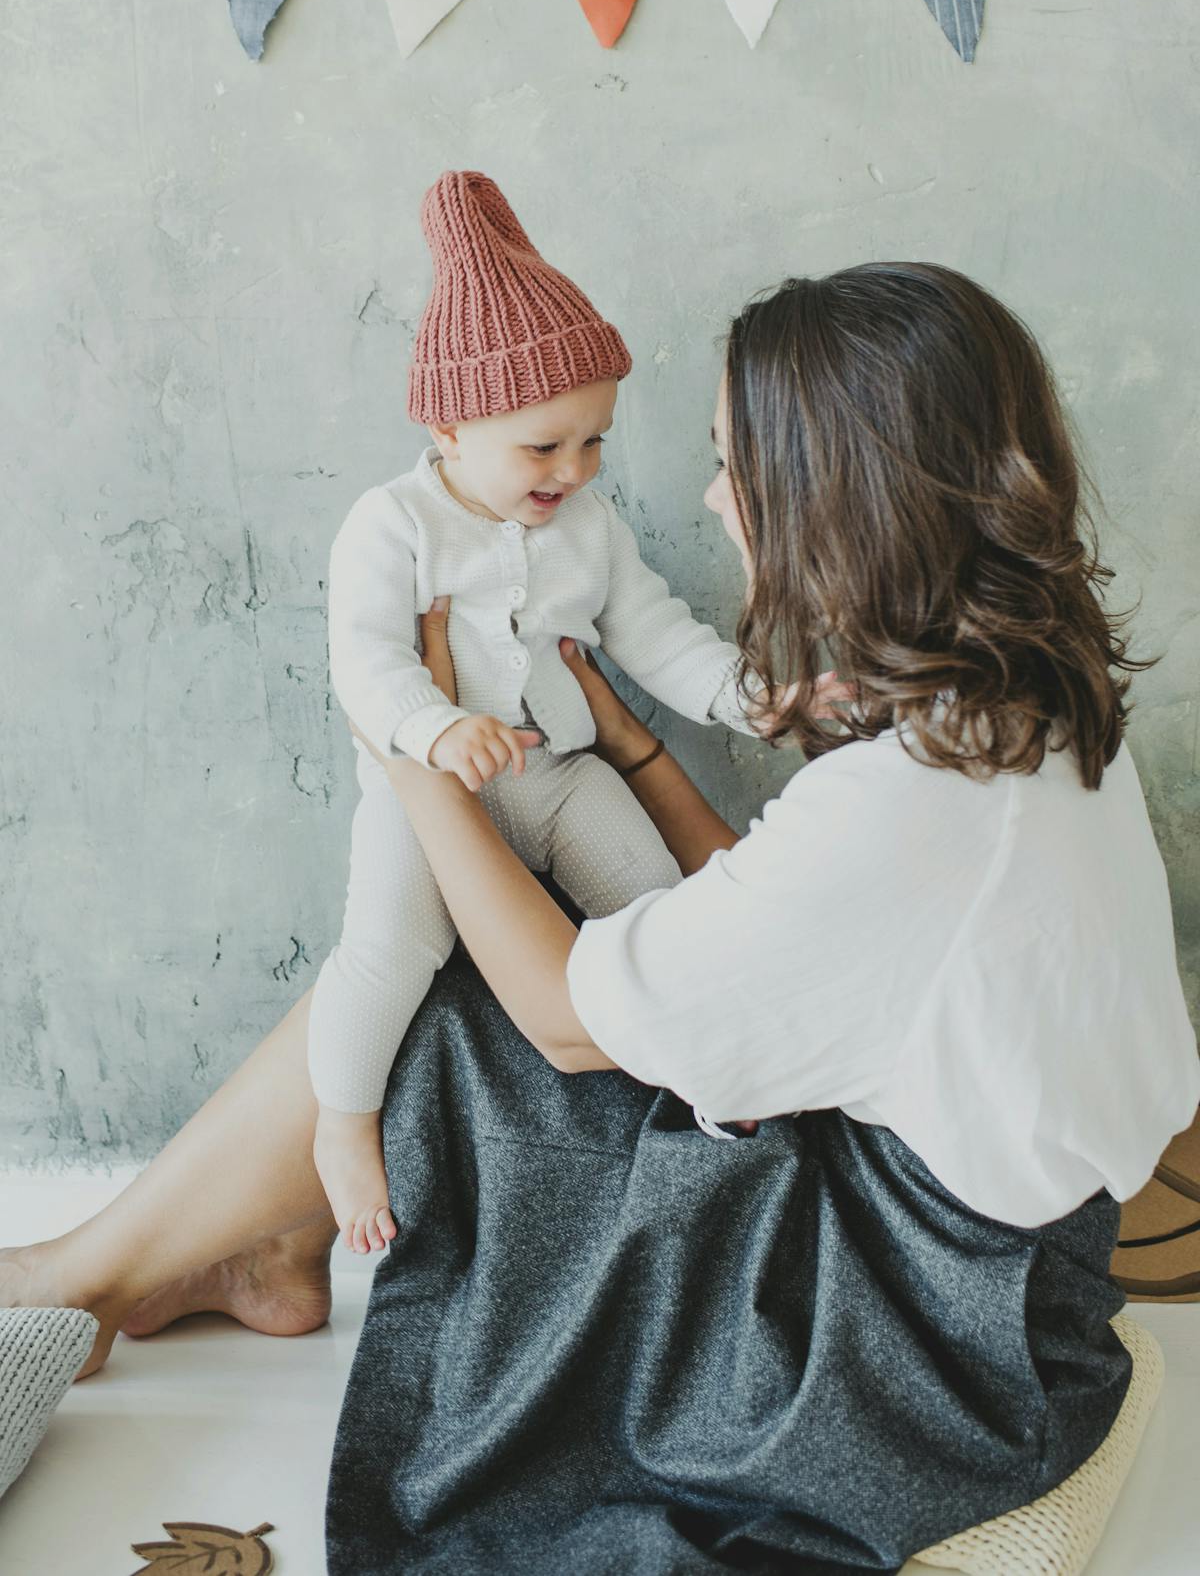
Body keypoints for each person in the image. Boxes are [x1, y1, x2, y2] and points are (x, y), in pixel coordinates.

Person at [3, 262, 1198, 1565]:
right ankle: (216, 1249)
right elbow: (778, 917)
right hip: (1018, 1286)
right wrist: (638, 758)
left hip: (922, 1345)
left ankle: (96, 1271)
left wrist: (406, 748)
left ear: (832, 497)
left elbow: (574, 1021)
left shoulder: (912, 808)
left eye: (737, 470)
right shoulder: (1019, 714)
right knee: (475, 959)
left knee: (465, 1011)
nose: (710, 501)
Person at [310, 169, 767, 1252]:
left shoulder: (589, 524)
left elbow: (651, 633)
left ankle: (712, 1084)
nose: (574, 469)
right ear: (449, 424)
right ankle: (342, 1119)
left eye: (593, 441)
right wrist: (433, 729)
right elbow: (363, 661)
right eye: (544, 447)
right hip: (426, 799)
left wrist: (746, 700)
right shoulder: (392, 523)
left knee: (656, 905)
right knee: (385, 953)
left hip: (561, 776)